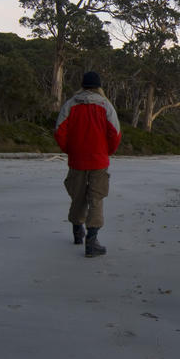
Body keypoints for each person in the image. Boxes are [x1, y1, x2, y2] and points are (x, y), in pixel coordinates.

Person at [54, 71, 121, 258]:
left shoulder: (70, 104)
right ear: (99, 87)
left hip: (77, 159)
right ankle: (92, 241)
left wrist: (69, 150)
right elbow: (115, 134)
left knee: (78, 196)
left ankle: (77, 231)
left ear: (82, 85)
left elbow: (59, 131)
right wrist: (107, 151)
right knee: (96, 198)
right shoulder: (106, 105)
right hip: (98, 160)